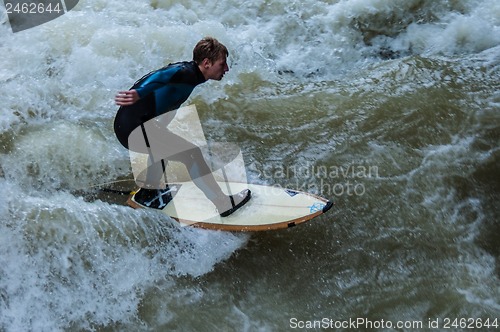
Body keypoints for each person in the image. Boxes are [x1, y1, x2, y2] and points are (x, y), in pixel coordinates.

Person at [114, 37, 251, 217]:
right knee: (192, 154)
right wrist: (139, 93)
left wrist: (162, 131)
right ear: (207, 63)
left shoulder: (192, 77)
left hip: (132, 125)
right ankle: (223, 203)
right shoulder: (185, 72)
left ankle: (149, 192)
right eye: (222, 64)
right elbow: (160, 76)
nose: (226, 69)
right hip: (131, 129)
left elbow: (169, 104)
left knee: (164, 146)